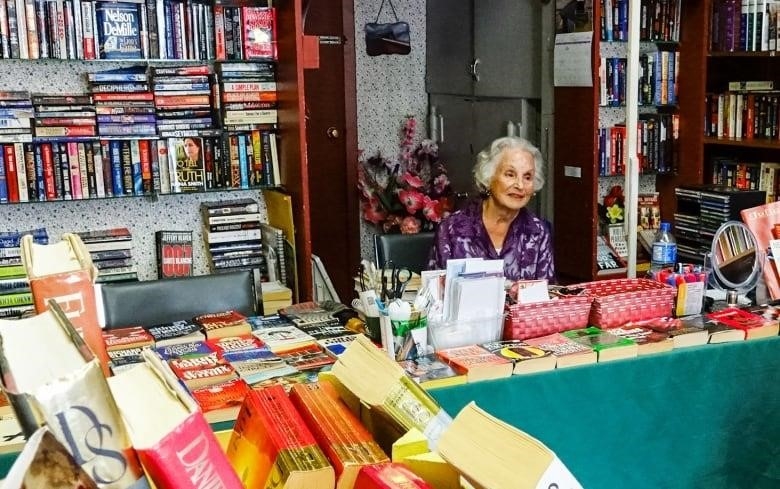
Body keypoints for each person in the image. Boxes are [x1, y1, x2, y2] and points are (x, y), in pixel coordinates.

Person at [428, 136, 555, 281]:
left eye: (527, 177)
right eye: (510, 174)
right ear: (488, 178)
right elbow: (435, 293)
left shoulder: (538, 232)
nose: (520, 185)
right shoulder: (452, 229)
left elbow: (548, 295)